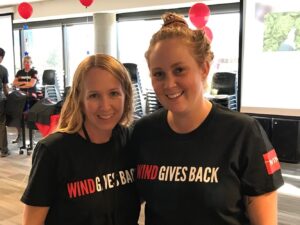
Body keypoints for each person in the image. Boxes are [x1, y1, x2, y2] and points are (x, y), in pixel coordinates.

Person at [132, 12, 284, 225]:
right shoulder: (142, 132)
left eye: (179, 70)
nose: (169, 84)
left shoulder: (243, 133)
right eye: (159, 74)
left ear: (204, 68)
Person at [21, 53, 140, 225]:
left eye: (114, 93)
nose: (105, 106)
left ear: (126, 95)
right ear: (79, 99)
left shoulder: (130, 141)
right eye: (94, 95)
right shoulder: (54, 151)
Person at [12, 55, 38, 144]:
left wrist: (21, 83)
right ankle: (19, 136)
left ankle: (32, 137)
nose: (26, 64)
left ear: (31, 63)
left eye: (28, 62)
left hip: (31, 97)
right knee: (18, 116)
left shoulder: (34, 72)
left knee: (32, 117)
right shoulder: (19, 72)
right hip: (21, 97)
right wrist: (25, 83)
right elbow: (14, 83)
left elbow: (31, 84)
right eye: (25, 62)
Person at [0, 48, 10, 157]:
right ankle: (3, 150)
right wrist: (8, 96)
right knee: (1, 123)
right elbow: (5, 87)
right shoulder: (3, 70)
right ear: (1, 57)